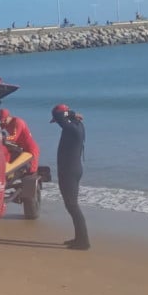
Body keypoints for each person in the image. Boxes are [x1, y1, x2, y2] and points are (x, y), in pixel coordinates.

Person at [50, 104, 89, 250]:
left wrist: (69, 113)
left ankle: (84, 242)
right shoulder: (76, 125)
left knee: (72, 206)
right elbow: (62, 117)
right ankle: (79, 238)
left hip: (69, 171)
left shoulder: (72, 127)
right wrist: (70, 115)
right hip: (72, 169)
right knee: (71, 205)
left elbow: (60, 116)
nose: (57, 122)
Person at [0, 108, 39, 173]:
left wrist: (3, 138)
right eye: (1, 120)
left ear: (9, 117)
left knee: (31, 171)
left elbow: (14, 137)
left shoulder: (17, 122)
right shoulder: (5, 123)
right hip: (21, 147)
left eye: (4, 120)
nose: (3, 122)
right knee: (15, 166)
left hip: (31, 149)